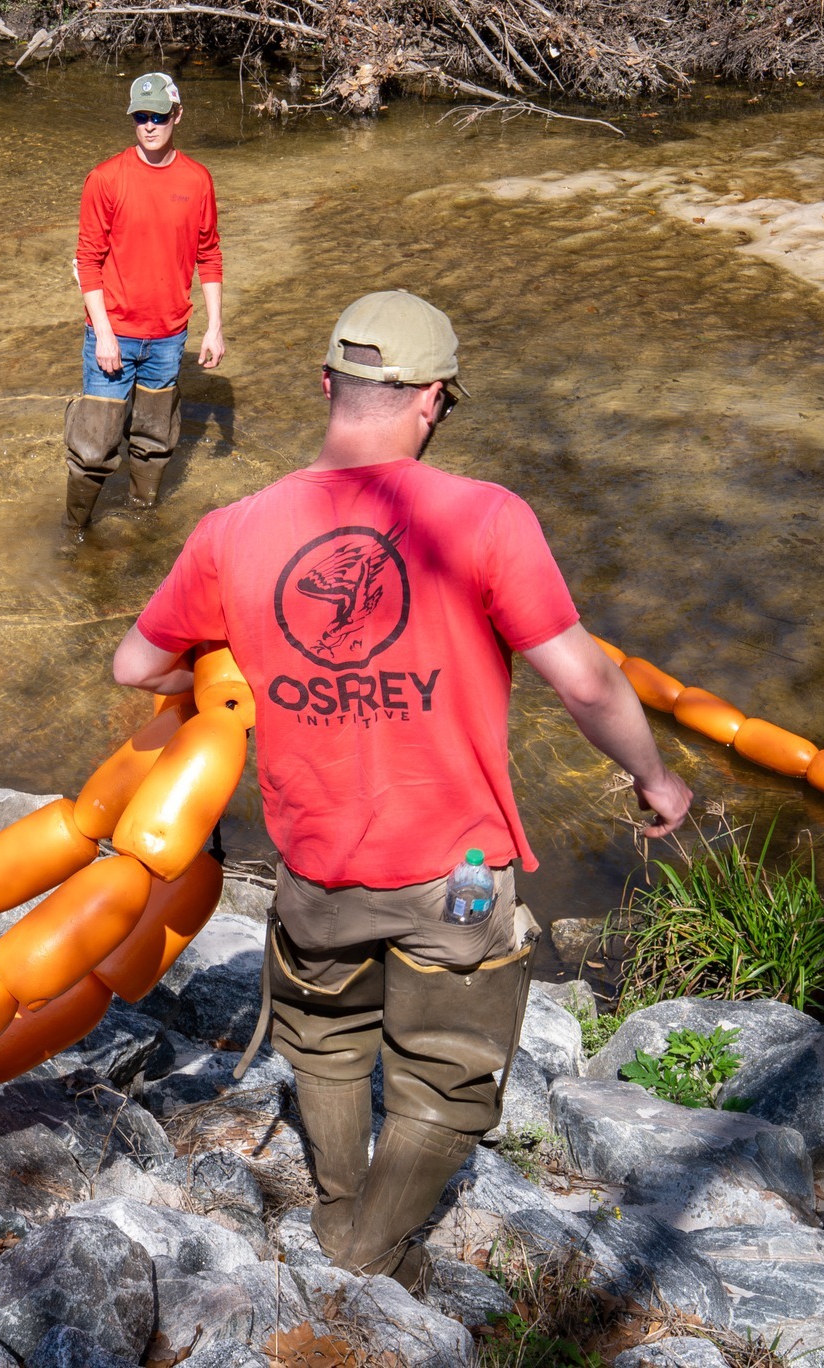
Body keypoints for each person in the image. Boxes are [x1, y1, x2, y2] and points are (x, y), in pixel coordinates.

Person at [109, 291, 692, 1286]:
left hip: (315, 863)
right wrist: (653, 775)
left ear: (327, 385)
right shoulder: (487, 518)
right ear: (430, 400)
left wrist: (233, 668)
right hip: (455, 874)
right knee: (446, 1077)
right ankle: (367, 1249)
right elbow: (586, 681)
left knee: (328, 1040)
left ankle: (339, 1205)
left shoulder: (231, 531)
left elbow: (136, 667)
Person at [64, 71, 226, 535]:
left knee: (155, 440)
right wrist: (105, 335)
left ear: (177, 115)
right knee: (95, 446)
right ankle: (74, 534)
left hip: (169, 338)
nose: (150, 125)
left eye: (158, 116)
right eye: (141, 117)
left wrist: (214, 326)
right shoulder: (105, 179)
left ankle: (141, 523)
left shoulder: (197, 180)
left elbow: (209, 255)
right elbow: (88, 260)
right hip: (113, 334)